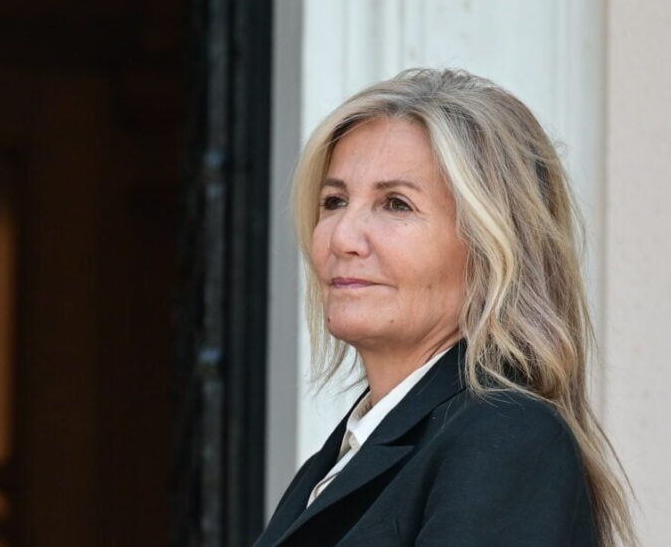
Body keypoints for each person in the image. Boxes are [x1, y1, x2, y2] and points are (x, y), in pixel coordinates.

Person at [253, 69, 636, 547]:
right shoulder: (341, 459)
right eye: (334, 201)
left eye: (396, 204)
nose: (343, 237)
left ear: (492, 245)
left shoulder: (506, 438)